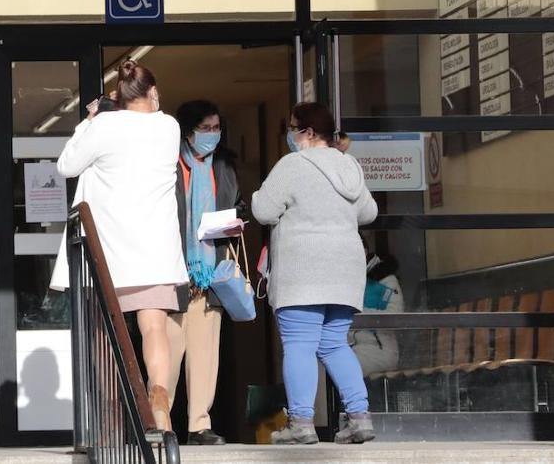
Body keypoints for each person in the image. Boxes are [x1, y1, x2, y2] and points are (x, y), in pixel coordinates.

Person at [52, 61, 187, 431]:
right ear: (153, 92)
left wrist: (92, 118)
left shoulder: (105, 126)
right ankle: (159, 401)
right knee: (154, 328)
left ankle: (114, 413)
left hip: (109, 251)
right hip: (155, 249)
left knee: (103, 332)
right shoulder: (169, 127)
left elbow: (67, 165)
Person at [252, 102, 379, 445]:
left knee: (299, 345)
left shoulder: (292, 165)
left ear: (307, 132)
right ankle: (360, 417)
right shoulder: (348, 165)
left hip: (304, 270)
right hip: (345, 270)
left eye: (292, 128)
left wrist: (256, 195)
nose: (289, 136)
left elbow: (264, 210)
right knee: (334, 344)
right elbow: (368, 211)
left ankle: (301, 423)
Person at [168, 100, 240, 446]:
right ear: (188, 131)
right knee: (167, 353)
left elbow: (233, 203)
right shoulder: (168, 164)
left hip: (210, 273)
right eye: (205, 129)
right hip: (173, 270)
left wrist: (235, 222)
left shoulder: (223, 166)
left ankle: (199, 425)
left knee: (205, 352)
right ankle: (161, 424)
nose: (212, 135)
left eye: (216, 128)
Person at [349, 240, 404, 376]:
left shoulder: (385, 280)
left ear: (365, 251)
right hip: (350, 347)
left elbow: (395, 317)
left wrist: (356, 312)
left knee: (343, 366)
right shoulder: (348, 281)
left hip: (379, 349)